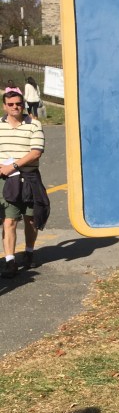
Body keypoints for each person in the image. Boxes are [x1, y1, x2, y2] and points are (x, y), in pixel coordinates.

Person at [0, 87, 48, 277]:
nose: (15, 107)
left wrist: (13, 166)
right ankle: (10, 261)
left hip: (29, 177)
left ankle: (28, 252)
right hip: (6, 180)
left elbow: (36, 152)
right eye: (10, 104)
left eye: (18, 104)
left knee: (31, 218)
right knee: (9, 219)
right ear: (4, 106)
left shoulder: (34, 125)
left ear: (24, 105)